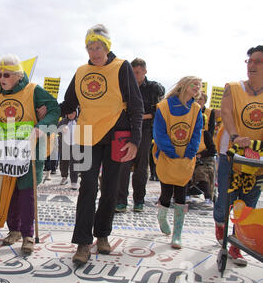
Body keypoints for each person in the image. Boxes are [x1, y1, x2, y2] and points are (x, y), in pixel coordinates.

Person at [59, 24, 144, 265]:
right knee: (87, 186)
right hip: (87, 134)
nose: (94, 52)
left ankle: (103, 234)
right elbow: (68, 102)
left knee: (110, 187)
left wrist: (136, 140)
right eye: (90, 47)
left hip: (118, 135)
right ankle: (83, 242)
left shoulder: (122, 67)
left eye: (98, 47)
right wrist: (53, 110)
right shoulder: (81, 71)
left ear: (107, 47)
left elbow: (136, 105)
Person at [0, 53, 60, 255]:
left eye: (6, 75)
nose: (1, 79)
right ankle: (14, 230)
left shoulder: (33, 90)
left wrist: (41, 127)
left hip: (29, 151)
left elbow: (54, 109)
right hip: (5, 151)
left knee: (26, 193)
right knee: (8, 192)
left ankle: (28, 234)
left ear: (18, 75)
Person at [213, 45, 263, 266]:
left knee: (248, 204)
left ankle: (235, 246)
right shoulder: (233, 88)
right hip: (230, 155)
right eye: (249, 61)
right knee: (225, 201)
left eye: (257, 62)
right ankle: (220, 221)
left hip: (257, 159)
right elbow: (226, 112)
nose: (251, 65)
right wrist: (235, 136)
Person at [153, 76, 203, 249]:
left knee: (181, 195)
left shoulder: (196, 109)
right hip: (167, 157)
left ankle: (177, 234)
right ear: (184, 85)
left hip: (186, 158)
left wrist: (191, 151)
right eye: (194, 84)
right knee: (166, 192)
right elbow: (159, 132)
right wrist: (169, 151)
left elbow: (197, 132)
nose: (197, 87)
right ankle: (161, 217)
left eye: (200, 85)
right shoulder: (164, 107)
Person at [116, 58, 165, 212]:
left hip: (144, 131)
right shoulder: (124, 86)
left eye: (137, 72)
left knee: (141, 168)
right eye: (132, 72)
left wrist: (139, 116)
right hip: (125, 130)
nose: (134, 75)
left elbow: (158, 111)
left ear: (144, 71)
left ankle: (139, 201)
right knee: (122, 167)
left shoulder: (153, 88)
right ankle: (121, 201)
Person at [187, 113, 216, 206]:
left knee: (201, 173)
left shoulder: (205, 134)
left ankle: (208, 197)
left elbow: (212, 150)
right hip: (190, 160)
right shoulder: (188, 133)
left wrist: (201, 154)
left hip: (204, 161)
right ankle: (186, 194)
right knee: (184, 172)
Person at [58, 111, 79, 189]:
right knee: (64, 162)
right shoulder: (63, 121)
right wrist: (61, 130)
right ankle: (64, 177)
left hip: (76, 145)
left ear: (76, 113)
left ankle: (74, 181)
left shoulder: (79, 121)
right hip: (64, 145)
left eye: (73, 113)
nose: (71, 115)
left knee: (74, 163)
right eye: (69, 113)